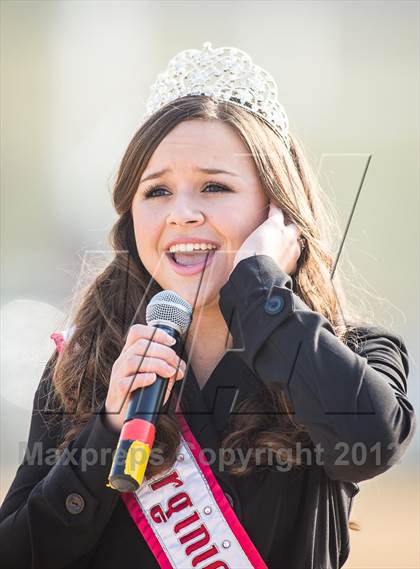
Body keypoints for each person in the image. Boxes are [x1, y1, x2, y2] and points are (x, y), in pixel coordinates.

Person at [0, 41, 416, 569]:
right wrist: (105, 433)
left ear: (277, 213)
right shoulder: (84, 368)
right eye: (157, 192)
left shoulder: (351, 353)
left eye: (214, 186)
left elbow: (372, 442)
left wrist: (262, 292)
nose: (182, 214)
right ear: (132, 221)